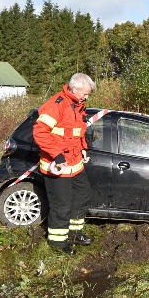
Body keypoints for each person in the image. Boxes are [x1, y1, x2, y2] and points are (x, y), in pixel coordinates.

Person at [32, 73, 96, 254]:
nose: (87, 97)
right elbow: (40, 133)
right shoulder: (56, 104)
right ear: (75, 89)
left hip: (75, 163)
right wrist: (57, 156)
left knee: (83, 194)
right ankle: (58, 243)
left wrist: (83, 148)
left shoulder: (78, 105)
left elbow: (78, 132)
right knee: (62, 204)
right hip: (58, 166)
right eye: (86, 93)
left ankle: (74, 233)